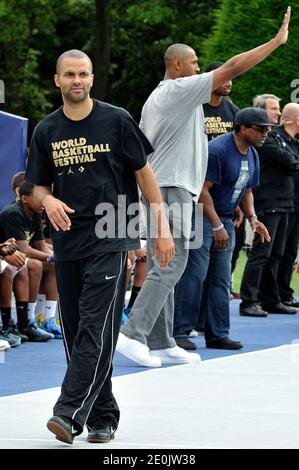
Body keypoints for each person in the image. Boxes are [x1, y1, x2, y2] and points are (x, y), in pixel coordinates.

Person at [116, 6, 291, 365]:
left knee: (167, 261)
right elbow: (231, 67)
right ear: (178, 66)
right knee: (173, 262)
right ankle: (132, 332)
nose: (200, 69)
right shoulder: (178, 89)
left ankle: (161, 340)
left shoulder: (170, 96)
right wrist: (276, 41)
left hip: (168, 187)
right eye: (195, 63)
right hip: (170, 186)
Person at [25, 49, 174, 445]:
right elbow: (36, 187)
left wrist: (161, 228)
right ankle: (103, 416)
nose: (78, 80)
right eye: (70, 74)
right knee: (77, 333)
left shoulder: (116, 120)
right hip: (68, 240)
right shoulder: (46, 130)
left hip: (113, 233)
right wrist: (48, 200)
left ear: (92, 78)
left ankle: (68, 413)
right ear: (57, 80)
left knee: (95, 325)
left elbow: (145, 175)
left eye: (85, 74)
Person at [174, 108, 271, 349]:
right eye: (261, 129)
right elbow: (201, 190)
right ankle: (180, 331)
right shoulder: (218, 150)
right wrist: (217, 225)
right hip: (203, 218)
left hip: (226, 219)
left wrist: (252, 218)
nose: (265, 134)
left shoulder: (252, 154)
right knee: (195, 275)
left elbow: (246, 189)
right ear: (243, 128)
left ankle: (217, 334)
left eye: (268, 129)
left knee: (221, 279)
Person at [240, 102, 299, 316]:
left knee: (277, 254)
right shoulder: (265, 139)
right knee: (261, 253)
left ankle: (270, 298)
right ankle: (249, 301)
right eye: (274, 108)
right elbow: (288, 161)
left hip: (284, 201)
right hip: (269, 200)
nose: (279, 112)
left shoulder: (277, 138)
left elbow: (291, 162)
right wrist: (290, 162)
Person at [0, 180, 61, 338]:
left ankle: (46, 318)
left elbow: (41, 246)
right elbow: (25, 250)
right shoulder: (13, 212)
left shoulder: (36, 213)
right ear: (24, 198)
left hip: (15, 257)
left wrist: (60, 255)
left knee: (53, 265)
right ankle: (27, 320)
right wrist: (54, 257)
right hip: (7, 256)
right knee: (33, 265)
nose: (43, 200)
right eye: (39, 197)